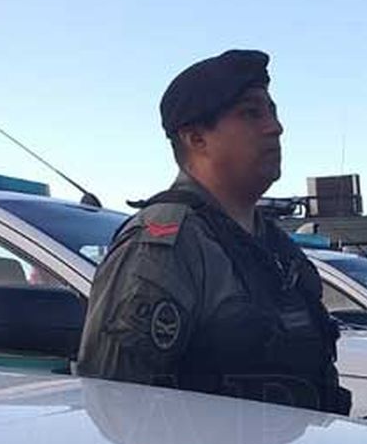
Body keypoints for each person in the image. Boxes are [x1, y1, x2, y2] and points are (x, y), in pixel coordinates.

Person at [77, 49, 350, 415]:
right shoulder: (164, 244)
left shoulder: (277, 248)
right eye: (251, 113)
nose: (275, 127)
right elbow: (114, 401)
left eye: (272, 111)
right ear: (196, 138)